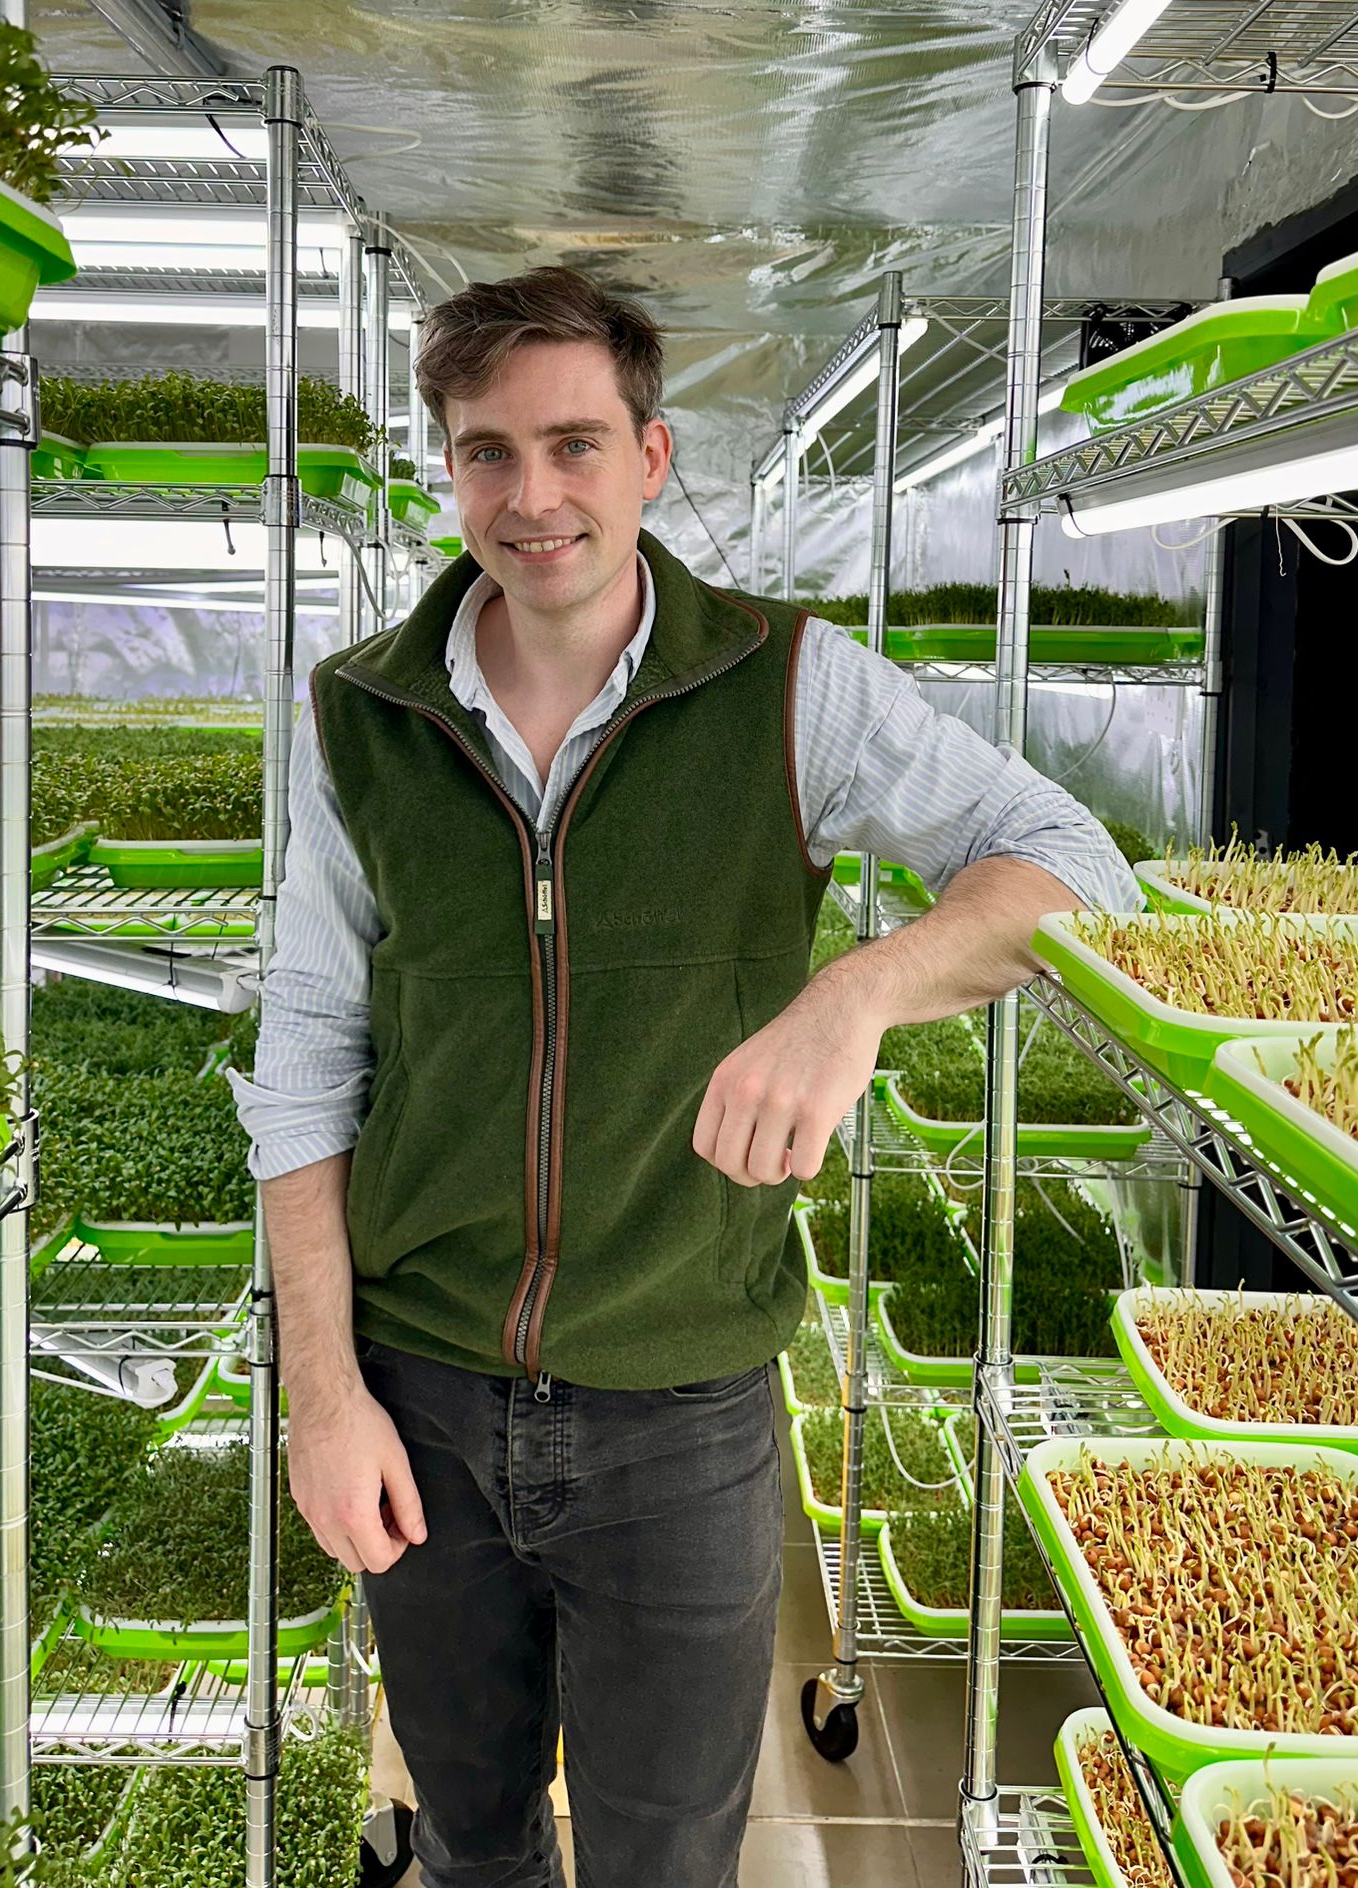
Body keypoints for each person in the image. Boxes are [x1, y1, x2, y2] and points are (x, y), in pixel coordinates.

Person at [230, 265, 1137, 1888]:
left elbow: (1074, 867)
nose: (532, 497)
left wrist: (857, 989)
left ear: (652, 459)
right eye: (486, 452)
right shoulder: (358, 716)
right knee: (467, 1843)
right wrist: (324, 1392)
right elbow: (307, 1050)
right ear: (447, 469)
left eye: (574, 445)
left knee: (666, 1856)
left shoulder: (788, 688)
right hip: (419, 1386)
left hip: (685, 1414)